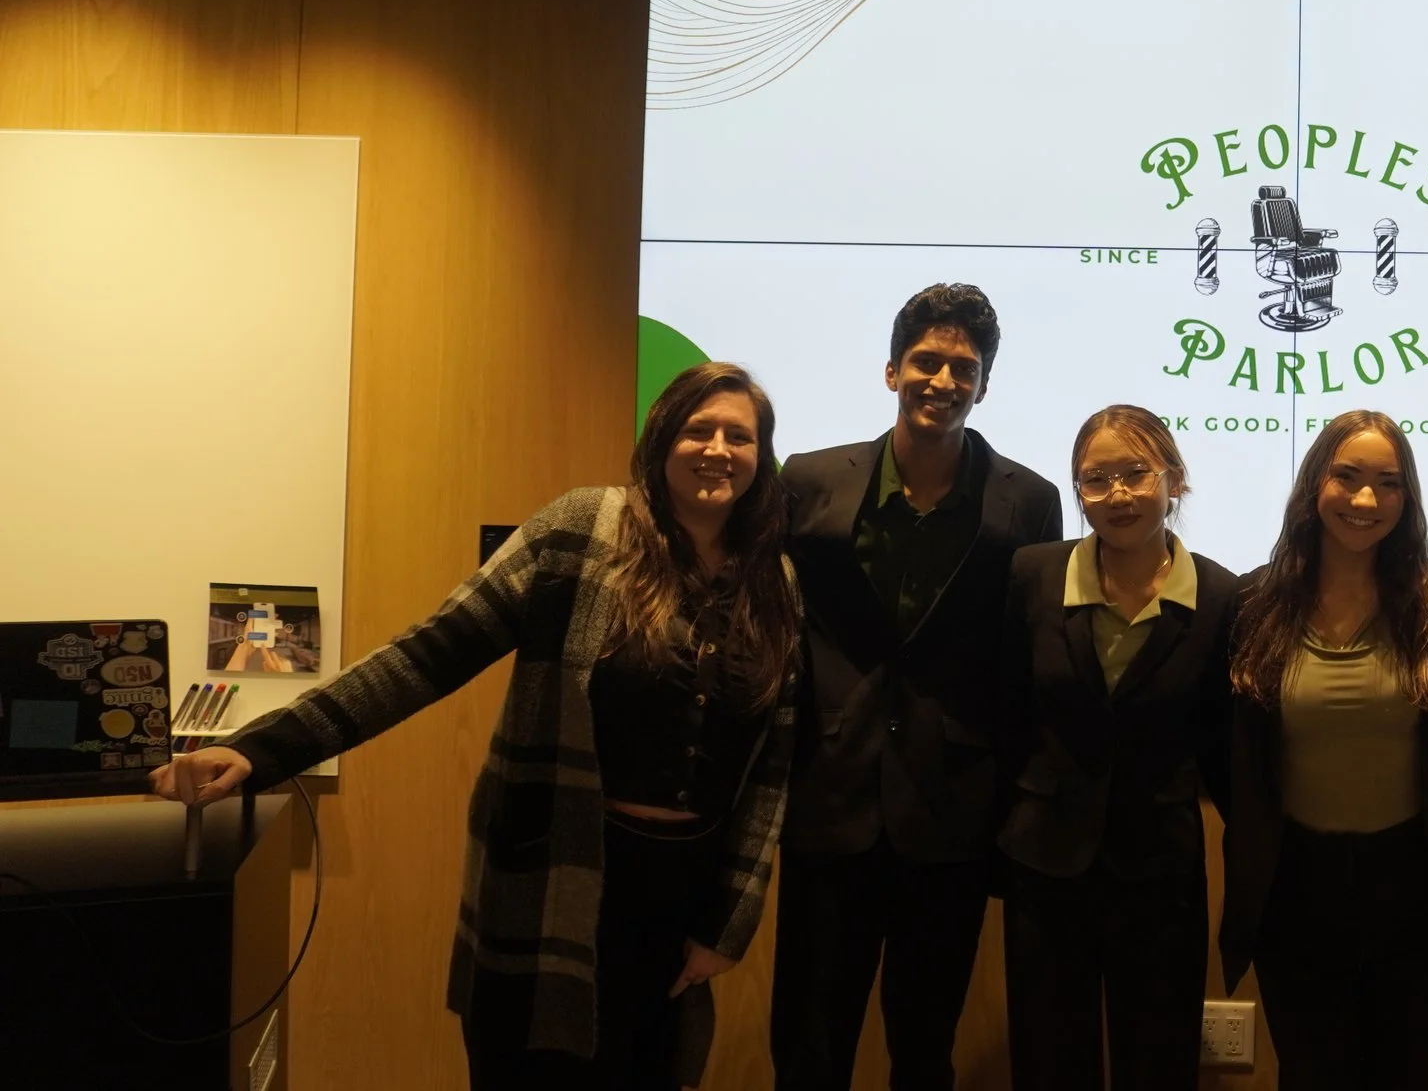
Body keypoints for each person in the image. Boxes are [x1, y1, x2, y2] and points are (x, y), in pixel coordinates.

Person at [150, 362, 803, 1091]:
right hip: (553, 874)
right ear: (661, 439)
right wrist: (264, 748)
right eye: (699, 429)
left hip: (681, 896)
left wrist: (726, 925)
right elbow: (427, 655)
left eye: (739, 436)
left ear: (761, 455)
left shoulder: (774, 584)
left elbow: (772, 770)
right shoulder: (581, 531)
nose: (718, 448)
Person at [772, 283, 1064, 1091]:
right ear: (892, 369)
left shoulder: (1029, 502)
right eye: (927, 361)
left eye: (962, 367)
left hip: (953, 811)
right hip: (828, 799)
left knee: (925, 1043)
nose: (943, 379)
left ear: (985, 384)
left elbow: (1022, 661)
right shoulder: (809, 480)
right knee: (807, 1040)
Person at [1215, 411, 1428, 1091]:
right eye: (1348, 477)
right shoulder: (1253, 602)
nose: (1366, 500)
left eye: (1388, 483)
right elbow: (1231, 756)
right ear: (1314, 486)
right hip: (1297, 890)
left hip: (1416, 889)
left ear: (1407, 498)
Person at [995, 406, 1242, 1090]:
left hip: (1161, 870)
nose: (1119, 494)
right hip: (1045, 865)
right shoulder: (1033, 575)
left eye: (1136, 473)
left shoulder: (1221, 595)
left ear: (1175, 480)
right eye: (1096, 479)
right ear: (1078, 492)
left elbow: (1221, 741)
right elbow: (1008, 712)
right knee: (1047, 1060)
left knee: (1158, 1061)